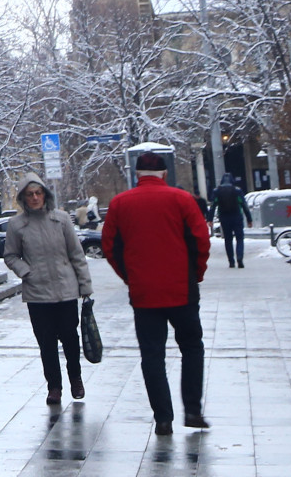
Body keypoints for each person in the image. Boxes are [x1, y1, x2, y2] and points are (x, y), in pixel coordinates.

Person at [101, 152, 212, 435]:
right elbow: (201, 239)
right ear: (164, 174)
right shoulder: (182, 200)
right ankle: (192, 409)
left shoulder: (119, 204)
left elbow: (110, 245)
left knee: (152, 355)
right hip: (181, 290)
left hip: (144, 293)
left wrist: (130, 276)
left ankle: (163, 417)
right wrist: (195, 274)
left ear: (137, 175)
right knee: (191, 346)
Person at [2, 174, 93, 406]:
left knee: (71, 339)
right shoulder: (17, 225)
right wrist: (26, 272)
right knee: (47, 342)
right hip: (37, 293)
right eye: (30, 194)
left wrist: (85, 285)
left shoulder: (61, 219)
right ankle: (54, 386)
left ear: (45, 194)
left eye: (38, 193)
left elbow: (76, 254)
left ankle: (76, 379)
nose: (34, 198)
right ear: (23, 198)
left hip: (65, 290)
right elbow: (10, 255)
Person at [210, 174, 252, 268]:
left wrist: (210, 219)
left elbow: (213, 206)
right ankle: (240, 257)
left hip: (224, 218)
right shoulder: (237, 190)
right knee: (239, 238)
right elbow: (244, 205)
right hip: (237, 217)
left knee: (228, 240)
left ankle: (231, 261)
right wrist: (249, 219)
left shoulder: (217, 191)